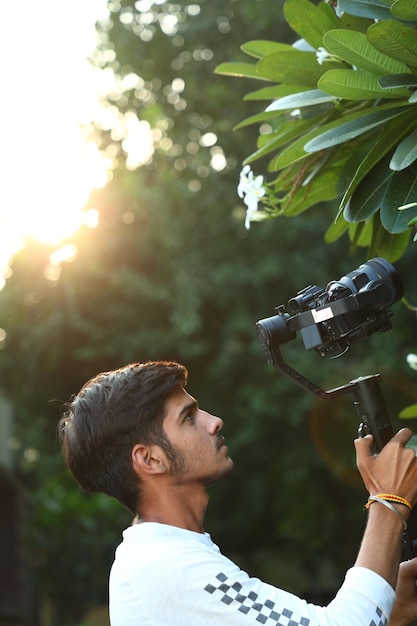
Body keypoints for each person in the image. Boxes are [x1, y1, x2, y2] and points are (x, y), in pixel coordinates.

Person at [58, 360, 417, 626]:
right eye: (188, 417)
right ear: (150, 459)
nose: (214, 421)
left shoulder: (168, 555)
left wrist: (388, 610)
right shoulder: (167, 565)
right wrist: (388, 499)